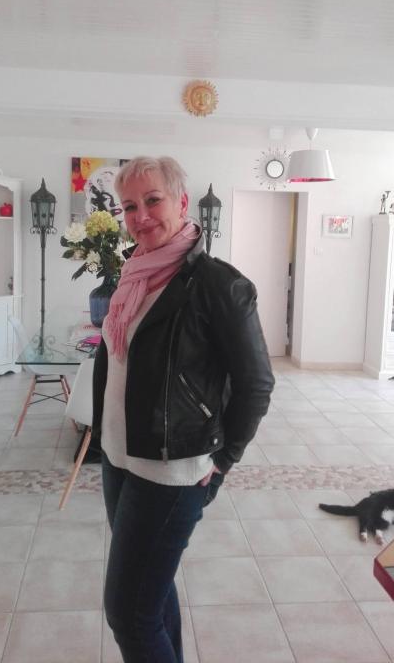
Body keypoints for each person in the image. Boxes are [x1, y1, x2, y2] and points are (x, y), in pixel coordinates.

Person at [92, 155, 274, 663]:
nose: (141, 216)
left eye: (152, 200)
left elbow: (257, 383)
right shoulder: (134, 273)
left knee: (128, 614)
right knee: (149, 594)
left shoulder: (219, 284)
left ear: (181, 201)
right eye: (130, 206)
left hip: (171, 472)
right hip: (119, 458)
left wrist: (223, 460)